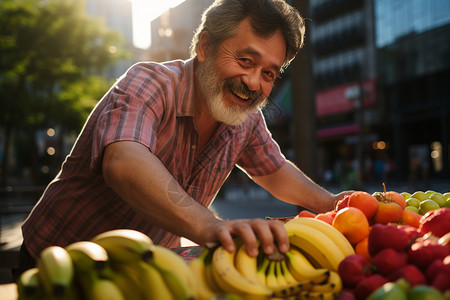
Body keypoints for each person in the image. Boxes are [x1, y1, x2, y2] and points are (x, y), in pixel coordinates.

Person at [13, 0, 350, 280]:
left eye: (268, 74)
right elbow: (123, 161)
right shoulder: (150, 82)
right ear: (204, 46)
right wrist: (209, 227)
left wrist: (334, 204)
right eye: (245, 61)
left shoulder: (245, 119)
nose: (252, 83)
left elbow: (274, 170)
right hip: (56, 264)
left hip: (144, 272)